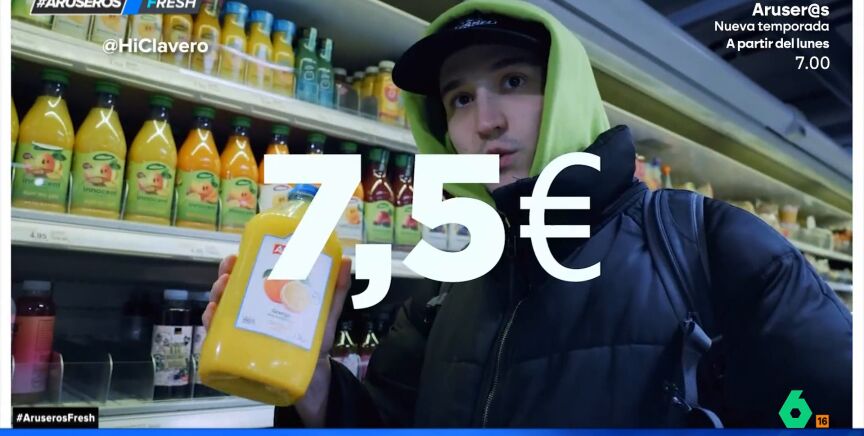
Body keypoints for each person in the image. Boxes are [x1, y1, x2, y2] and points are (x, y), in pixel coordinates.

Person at [204, 0, 851, 427]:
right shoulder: (443, 288)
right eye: (459, 99)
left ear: (567, 92)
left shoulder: (709, 244)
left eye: (513, 82)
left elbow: (826, 408)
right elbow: (391, 419)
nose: (484, 122)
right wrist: (316, 385)